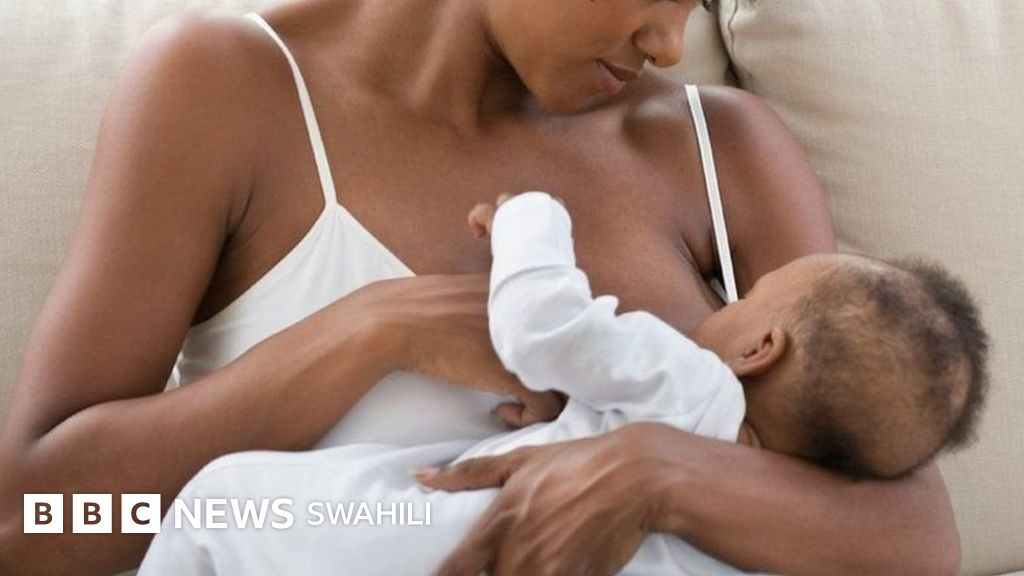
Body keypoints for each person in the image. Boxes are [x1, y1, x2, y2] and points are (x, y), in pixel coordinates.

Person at [0, 1, 961, 575]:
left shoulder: (723, 147)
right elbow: (34, 526)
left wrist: (652, 475)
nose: (671, 43)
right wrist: (372, 332)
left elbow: (913, 535)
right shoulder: (224, 86)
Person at [136, 191, 987, 575]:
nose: (670, 41)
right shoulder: (776, 541)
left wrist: (530, 221)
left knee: (222, 506)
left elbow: (539, 325)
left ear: (760, 347)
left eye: (745, 294)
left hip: (412, 540)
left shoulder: (691, 381)